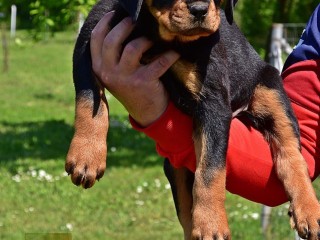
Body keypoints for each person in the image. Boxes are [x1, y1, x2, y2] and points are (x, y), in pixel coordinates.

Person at [90, 4, 320, 207]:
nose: (199, 5)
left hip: (245, 88)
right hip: (203, 114)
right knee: (177, 169)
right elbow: (306, 141)